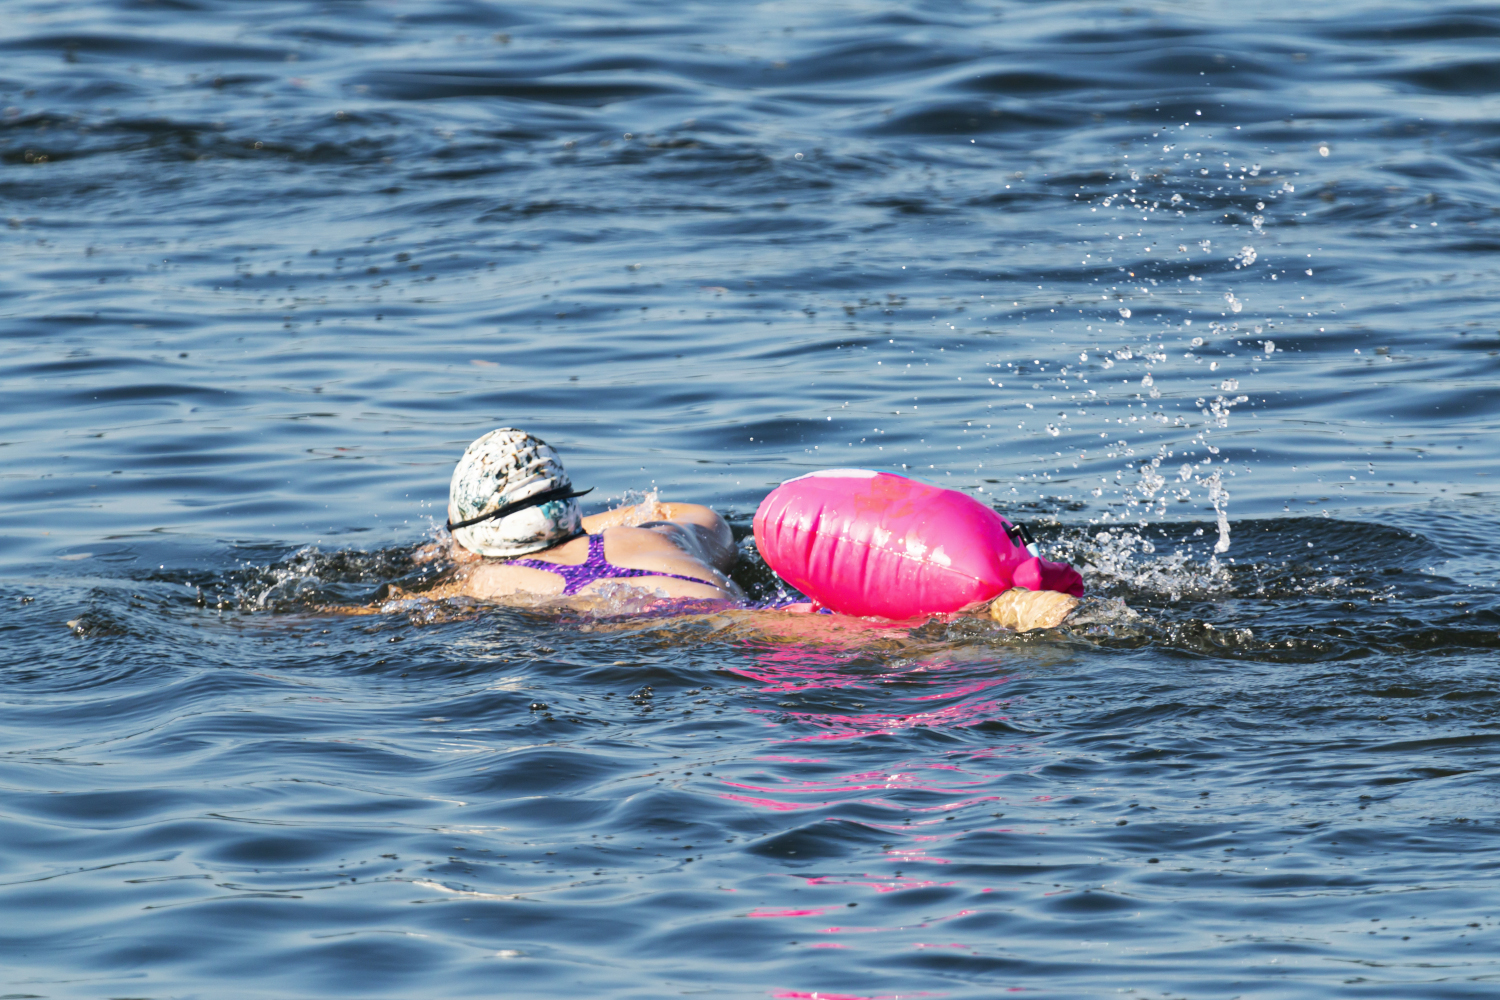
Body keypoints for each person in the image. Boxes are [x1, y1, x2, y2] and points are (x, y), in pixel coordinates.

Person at [390, 427, 1082, 631]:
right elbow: (714, 525)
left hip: (703, 634)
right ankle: (1017, 599)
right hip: (746, 607)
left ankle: (1007, 613)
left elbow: (381, 615)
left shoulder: (482, 583)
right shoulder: (670, 530)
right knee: (850, 622)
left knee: (891, 644)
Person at [394, 428, 743, 606]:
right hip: (732, 610)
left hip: (641, 632)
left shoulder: (481, 584)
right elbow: (682, 511)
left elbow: (365, 614)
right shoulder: (662, 533)